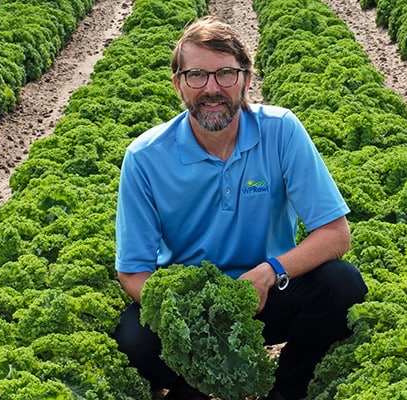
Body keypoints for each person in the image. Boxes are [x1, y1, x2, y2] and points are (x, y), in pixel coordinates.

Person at [112, 15, 367, 400]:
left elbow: (335, 234)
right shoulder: (146, 157)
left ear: (247, 80)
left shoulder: (281, 131)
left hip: (269, 294)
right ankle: (194, 386)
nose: (211, 88)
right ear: (178, 84)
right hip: (193, 308)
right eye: (196, 75)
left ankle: (287, 388)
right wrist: (190, 315)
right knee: (133, 341)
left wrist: (270, 272)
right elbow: (133, 271)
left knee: (342, 285)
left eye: (225, 74)